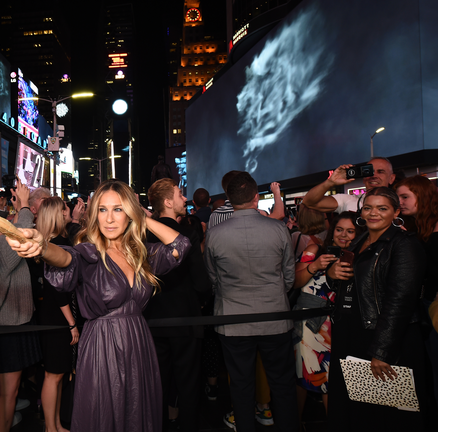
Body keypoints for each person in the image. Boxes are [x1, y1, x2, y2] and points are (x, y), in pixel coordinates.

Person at [5, 179, 191, 432]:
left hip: (139, 344)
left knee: (137, 413)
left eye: (118, 209)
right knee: (103, 414)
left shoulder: (139, 253)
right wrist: (42, 246)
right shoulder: (87, 253)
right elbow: (64, 258)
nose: (110, 219)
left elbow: (181, 245)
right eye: (103, 210)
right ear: (95, 215)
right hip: (102, 346)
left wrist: (141, 217)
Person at [326, 187, 428, 431]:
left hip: (382, 336)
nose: (374, 213)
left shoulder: (404, 244)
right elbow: (348, 283)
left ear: (395, 212)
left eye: (382, 208)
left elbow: (400, 302)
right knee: (358, 406)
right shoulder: (360, 240)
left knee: (387, 411)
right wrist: (331, 274)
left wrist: (382, 350)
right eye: (369, 207)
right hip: (353, 332)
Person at [204, 171, 298, 432]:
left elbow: (213, 278)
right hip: (275, 317)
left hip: (233, 320)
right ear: (256, 198)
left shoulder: (214, 234)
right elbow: (288, 275)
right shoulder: (278, 229)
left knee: (241, 386)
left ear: (229, 200)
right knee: (282, 384)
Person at [146, 179, 211, 432]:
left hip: (152, 319)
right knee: (188, 385)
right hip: (185, 319)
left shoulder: (142, 233)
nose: (185, 199)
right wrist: (203, 302)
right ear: (167, 202)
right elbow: (201, 281)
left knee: (157, 385)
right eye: (180, 194)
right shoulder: (188, 234)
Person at [290, 211, 363, 424]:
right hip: (310, 326)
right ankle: (296, 423)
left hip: (339, 325)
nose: (344, 235)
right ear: (332, 231)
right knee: (304, 375)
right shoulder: (315, 250)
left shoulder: (358, 255)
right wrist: (315, 266)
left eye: (351, 231)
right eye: (339, 230)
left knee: (331, 380)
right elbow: (295, 282)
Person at [0, 178, 42, 432]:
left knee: (10, 391)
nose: (6, 224)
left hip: (14, 323)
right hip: (6, 327)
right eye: (0, 224)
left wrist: (20, 208)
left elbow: (18, 227)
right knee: (7, 393)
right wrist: (26, 205)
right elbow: (20, 232)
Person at [34, 197, 79, 432]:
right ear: (59, 214)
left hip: (51, 313)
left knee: (58, 373)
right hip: (58, 316)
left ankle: (57, 424)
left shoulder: (49, 241)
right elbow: (59, 288)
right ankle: (51, 428)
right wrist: (72, 323)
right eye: (66, 208)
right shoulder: (58, 243)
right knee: (53, 374)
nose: (70, 211)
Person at [394, 175, 438, 414]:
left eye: (405, 197)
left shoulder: (438, 229)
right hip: (427, 307)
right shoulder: (418, 226)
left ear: (423, 196)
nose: (400, 202)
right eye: (398, 197)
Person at [301, 157, 396, 213]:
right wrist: (330, 182)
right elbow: (308, 202)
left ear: (391, 178)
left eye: (381, 172)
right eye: (368, 172)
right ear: (363, 178)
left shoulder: (400, 204)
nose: (373, 176)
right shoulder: (349, 200)